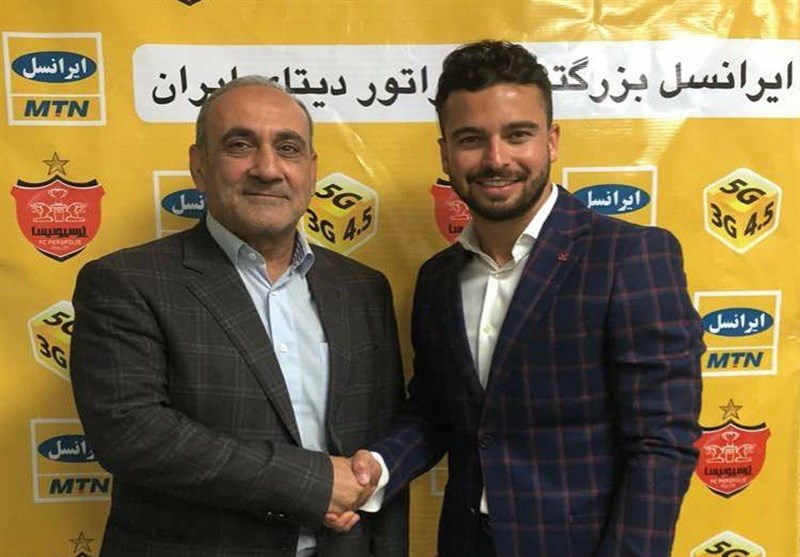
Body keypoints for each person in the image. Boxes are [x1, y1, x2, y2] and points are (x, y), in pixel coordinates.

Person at [338, 40, 705, 557]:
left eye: (518, 135)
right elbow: (435, 413)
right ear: (444, 152)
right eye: (471, 139)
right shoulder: (437, 279)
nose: (496, 159)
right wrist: (376, 468)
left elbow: (661, 446)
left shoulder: (630, 257)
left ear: (551, 141)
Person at [70, 75, 407, 557]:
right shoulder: (126, 281)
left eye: (288, 148)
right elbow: (132, 432)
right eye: (240, 145)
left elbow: (380, 443)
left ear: (311, 170)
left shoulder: (363, 288)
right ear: (199, 165)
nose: (268, 169)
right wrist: (312, 483)